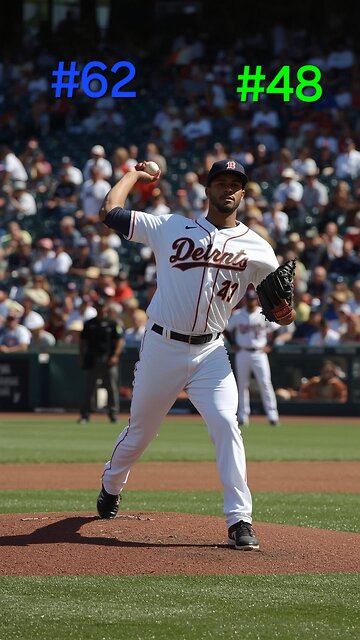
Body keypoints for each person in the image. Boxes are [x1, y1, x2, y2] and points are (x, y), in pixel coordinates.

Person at [95, 158, 295, 552]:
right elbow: (109, 212)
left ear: (244, 192)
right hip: (161, 346)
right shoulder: (171, 227)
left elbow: (279, 309)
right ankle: (111, 484)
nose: (228, 189)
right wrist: (135, 176)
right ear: (207, 190)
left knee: (226, 424)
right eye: (220, 182)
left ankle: (240, 520)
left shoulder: (258, 248)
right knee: (141, 432)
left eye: (235, 184)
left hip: (211, 352)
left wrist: (284, 313)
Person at [225, 288, 280, 427]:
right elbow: (226, 329)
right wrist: (233, 344)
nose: (251, 302)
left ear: (256, 300)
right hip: (242, 352)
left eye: (253, 299)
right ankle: (243, 416)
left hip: (259, 352)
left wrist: (270, 345)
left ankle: (272, 415)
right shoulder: (237, 315)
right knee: (242, 384)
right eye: (248, 299)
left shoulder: (263, 313)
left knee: (265, 383)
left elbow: (277, 329)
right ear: (245, 300)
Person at [78, 298, 125, 424]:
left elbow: (120, 340)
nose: (101, 309)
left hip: (108, 359)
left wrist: (115, 355)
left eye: (103, 307)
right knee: (89, 388)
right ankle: (85, 414)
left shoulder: (112, 323)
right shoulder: (89, 324)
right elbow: (82, 342)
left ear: (107, 309)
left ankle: (113, 414)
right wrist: (82, 357)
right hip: (92, 359)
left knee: (112, 387)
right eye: (99, 307)